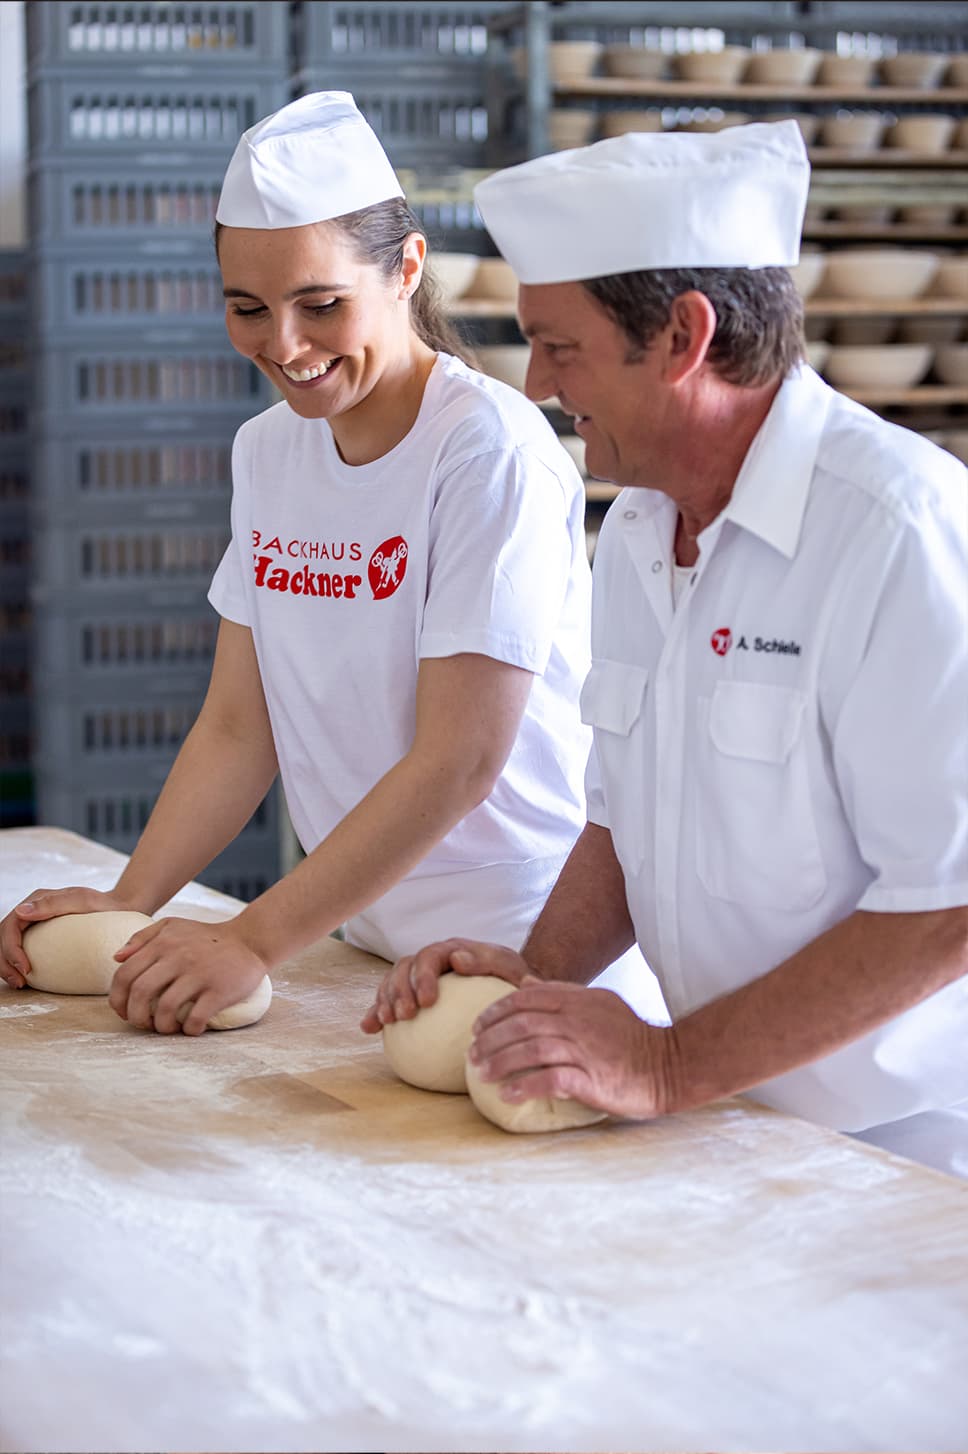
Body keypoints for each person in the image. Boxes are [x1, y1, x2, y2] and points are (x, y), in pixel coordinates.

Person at [365, 121, 968, 1178]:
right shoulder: (644, 525)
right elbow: (627, 810)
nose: (541, 383)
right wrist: (533, 976)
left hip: (904, 1156)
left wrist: (664, 1062)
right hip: (728, 1118)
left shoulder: (894, 529)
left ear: (683, 338)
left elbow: (947, 902)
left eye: (561, 347)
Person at [0, 91, 662, 1032]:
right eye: (247, 308)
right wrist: (133, 899)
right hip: (364, 927)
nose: (285, 345)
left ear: (407, 271)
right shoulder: (268, 452)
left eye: (321, 305)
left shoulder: (485, 450)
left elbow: (462, 757)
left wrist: (254, 940)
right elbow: (239, 725)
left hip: (522, 940)